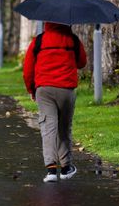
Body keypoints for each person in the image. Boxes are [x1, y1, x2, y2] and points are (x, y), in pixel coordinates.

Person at [23, 22, 87, 183]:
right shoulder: (72, 40)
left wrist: (31, 89)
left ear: (47, 23)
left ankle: (51, 169)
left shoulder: (39, 41)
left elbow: (28, 69)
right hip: (66, 89)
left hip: (44, 90)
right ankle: (66, 167)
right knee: (64, 128)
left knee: (48, 127)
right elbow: (82, 63)